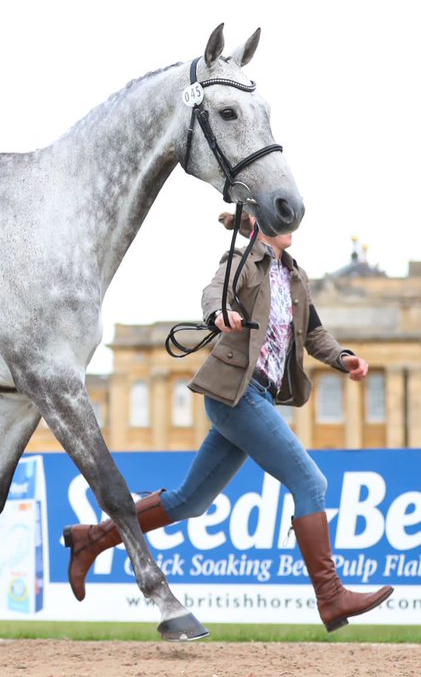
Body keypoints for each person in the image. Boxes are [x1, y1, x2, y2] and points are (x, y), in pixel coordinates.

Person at [64, 211, 393, 631]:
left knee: (190, 501)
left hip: (256, 397)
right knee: (311, 483)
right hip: (236, 393)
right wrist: (219, 316)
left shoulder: (295, 276)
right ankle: (331, 597)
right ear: (261, 222)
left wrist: (343, 358)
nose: (292, 223)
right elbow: (213, 293)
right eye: (282, 214)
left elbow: (312, 333)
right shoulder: (241, 261)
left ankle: (90, 539)